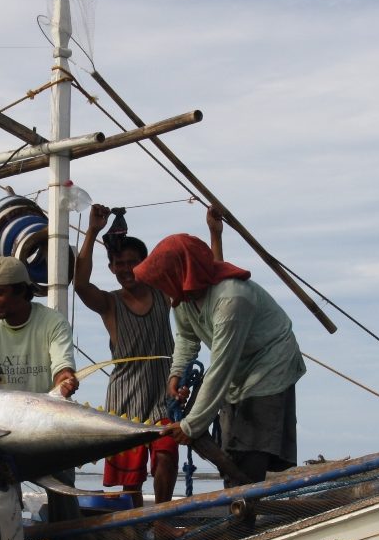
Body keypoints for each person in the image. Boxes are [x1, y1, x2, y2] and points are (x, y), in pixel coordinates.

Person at [133, 233, 306, 486]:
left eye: (161, 279)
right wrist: (176, 372)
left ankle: (245, 514)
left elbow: (222, 366)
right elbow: (186, 337)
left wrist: (190, 426)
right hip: (237, 371)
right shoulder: (183, 298)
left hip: (270, 364)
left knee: (250, 446)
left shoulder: (232, 298)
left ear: (179, 272)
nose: (159, 287)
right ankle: (239, 506)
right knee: (230, 448)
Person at [74, 203, 178, 507]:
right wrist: (92, 231)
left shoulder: (163, 294)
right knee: (129, 480)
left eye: (133, 262)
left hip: (163, 395)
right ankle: (131, 532)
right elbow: (79, 284)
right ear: (111, 268)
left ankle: (161, 519)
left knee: (167, 454)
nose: (126, 269)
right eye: (119, 264)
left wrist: (215, 233)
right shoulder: (110, 304)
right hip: (124, 401)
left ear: (146, 264)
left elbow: (202, 275)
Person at [0, 257, 78, 397]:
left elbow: (62, 366)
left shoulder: (54, 322)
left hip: (43, 416)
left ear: (20, 290)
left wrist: (64, 379)